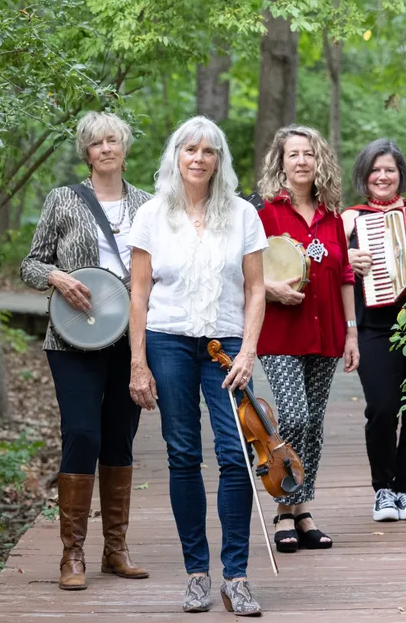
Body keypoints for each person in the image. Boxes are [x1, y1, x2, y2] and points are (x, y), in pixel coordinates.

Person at [127, 116, 268, 616]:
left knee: (236, 455)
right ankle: (196, 575)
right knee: (183, 453)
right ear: (176, 156)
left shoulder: (244, 215)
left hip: (225, 342)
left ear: (219, 160)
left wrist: (249, 350)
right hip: (167, 342)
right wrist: (137, 363)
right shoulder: (150, 215)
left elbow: (255, 289)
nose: (199, 158)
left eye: (209, 151)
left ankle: (236, 576)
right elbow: (139, 293)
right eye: (190, 149)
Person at [19, 111, 151, 590]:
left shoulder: (148, 204)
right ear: (86, 152)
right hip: (73, 339)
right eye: (96, 143)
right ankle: (70, 555)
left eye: (113, 140)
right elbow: (30, 265)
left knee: (119, 438)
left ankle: (115, 550)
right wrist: (55, 277)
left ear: (125, 147)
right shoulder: (63, 200)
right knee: (82, 433)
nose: (106, 148)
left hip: (131, 341)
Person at [256, 125, 359, 552]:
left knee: (314, 421)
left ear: (319, 162)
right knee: (295, 416)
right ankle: (284, 506)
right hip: (280, 332)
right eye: (293, 154)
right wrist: (268, 286)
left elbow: (346, 276)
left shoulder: (333, 217)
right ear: (281, 162)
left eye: (309, 154)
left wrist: (352, 333)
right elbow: (243, 270)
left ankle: (303, 509)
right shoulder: (264, 212)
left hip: (327, 331)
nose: (301, 161)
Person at [340, 139, 406, 523]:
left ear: (400, 175)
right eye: (375, 170)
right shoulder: (349, 219)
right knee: (382, 408)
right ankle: (383, 490)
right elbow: (326, 265)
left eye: (389, 170)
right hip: (374, 327)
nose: (382, 176)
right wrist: (347, 255)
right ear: (364, 175)